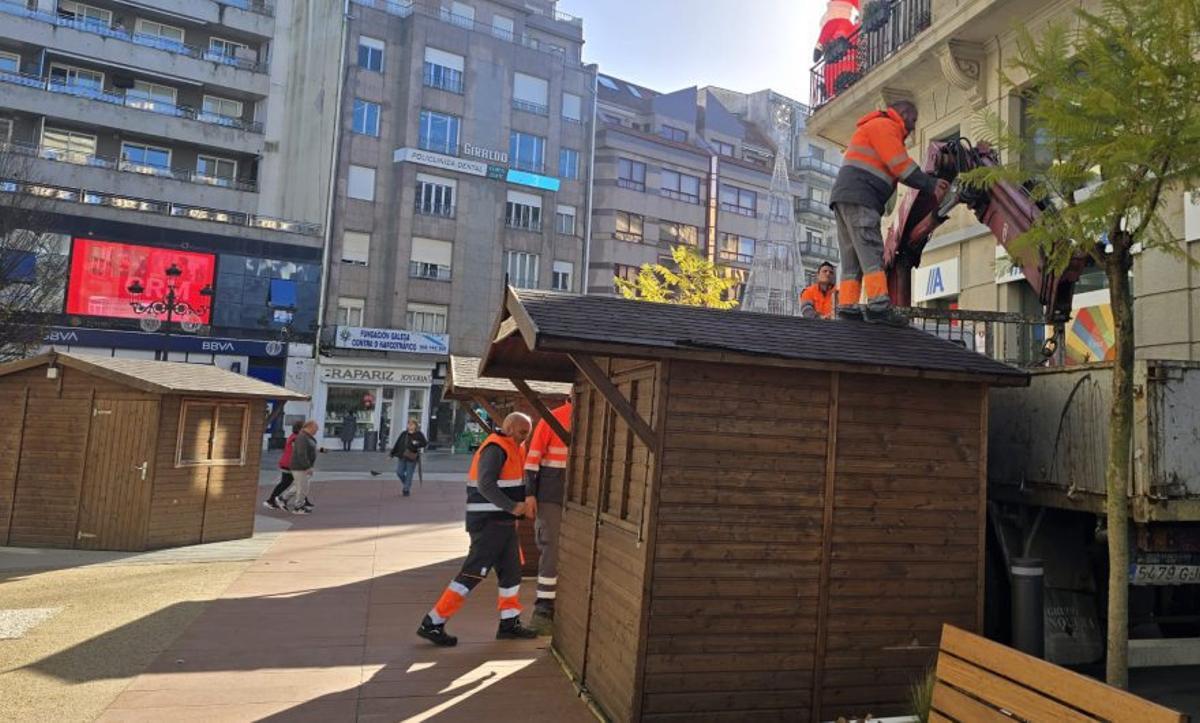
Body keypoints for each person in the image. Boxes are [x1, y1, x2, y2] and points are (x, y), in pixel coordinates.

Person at [418, 412, 538, 646]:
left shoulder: (512, 447)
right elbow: (485, 485)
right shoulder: (496, 448)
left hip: (502, 523)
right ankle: (433, 622)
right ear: (510, 428)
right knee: (473, 572)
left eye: (528, 433)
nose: (525, 438)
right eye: (523, 432)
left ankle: (509, 622)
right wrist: (514, 507)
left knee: (512, 572)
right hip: (489, 523)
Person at [830, 100, 949, 326]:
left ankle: (847, 307)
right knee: (872, 254)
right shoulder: (886, 127)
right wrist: (930, 184)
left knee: (852, 257)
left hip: (844, 198)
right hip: (862, 198)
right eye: (913, 120)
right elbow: (901, 166)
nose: (913, 127)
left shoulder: (873, 127)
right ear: (902, 114)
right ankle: (878, 307)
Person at [522, 401, 573, 635]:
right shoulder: (553, 418)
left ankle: (547, 607)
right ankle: (544, 608)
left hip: (560, 493)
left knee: (555, 547)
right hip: (552, 494)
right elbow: (532, 461)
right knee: (551, 547)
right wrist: (530, 494)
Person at [280, 420, 319, 514]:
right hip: (300, 466)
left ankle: (283, 498)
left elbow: (310, 449)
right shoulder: (302, 437)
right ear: (309, 427)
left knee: (299, 486)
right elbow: (301, 453)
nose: (316, 431)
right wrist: (307, 466)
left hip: (301, 466)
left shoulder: (306, 437)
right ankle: (298, 507)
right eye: (315, 429)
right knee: (303, 487)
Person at [264, 421, 304, 510]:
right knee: (298, 482)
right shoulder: (296, 438)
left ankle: (272, 500)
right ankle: (276, 500)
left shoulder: (293, 436)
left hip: (287, 463)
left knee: (287, 483)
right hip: (290, 464)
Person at [389, 418, 428, 497]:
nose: (410, 425)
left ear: (415, 426)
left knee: (409, 474)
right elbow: (397, 444)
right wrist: (391, 454)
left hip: (412, 456)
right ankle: (407, 484)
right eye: (409, 424)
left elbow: (424, 443)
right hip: (402, 455)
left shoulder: (418, 434)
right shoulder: (404, 434)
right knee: (399, 472)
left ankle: (406, 489)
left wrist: (417, 443)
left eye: (412, 424)